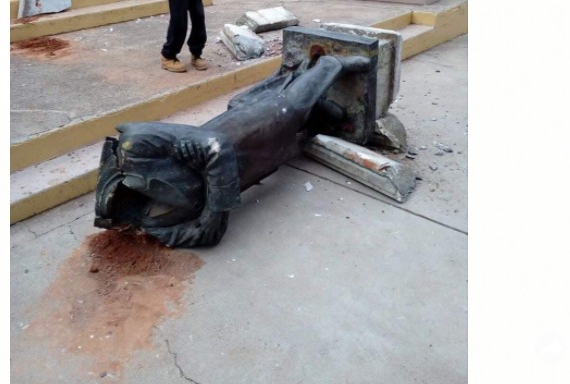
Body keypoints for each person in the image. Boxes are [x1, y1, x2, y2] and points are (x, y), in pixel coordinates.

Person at [94, 52, 371, 247]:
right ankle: (318, 110)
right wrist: (209, 219)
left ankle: (329, 65)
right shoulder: (149, 221)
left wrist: (214, 212)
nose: (133, 222)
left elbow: (217, 146)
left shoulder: (135, 145)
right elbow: (204, 235)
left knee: (286, 109)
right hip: (244, 168)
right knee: (286, 146)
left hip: (238, 134)